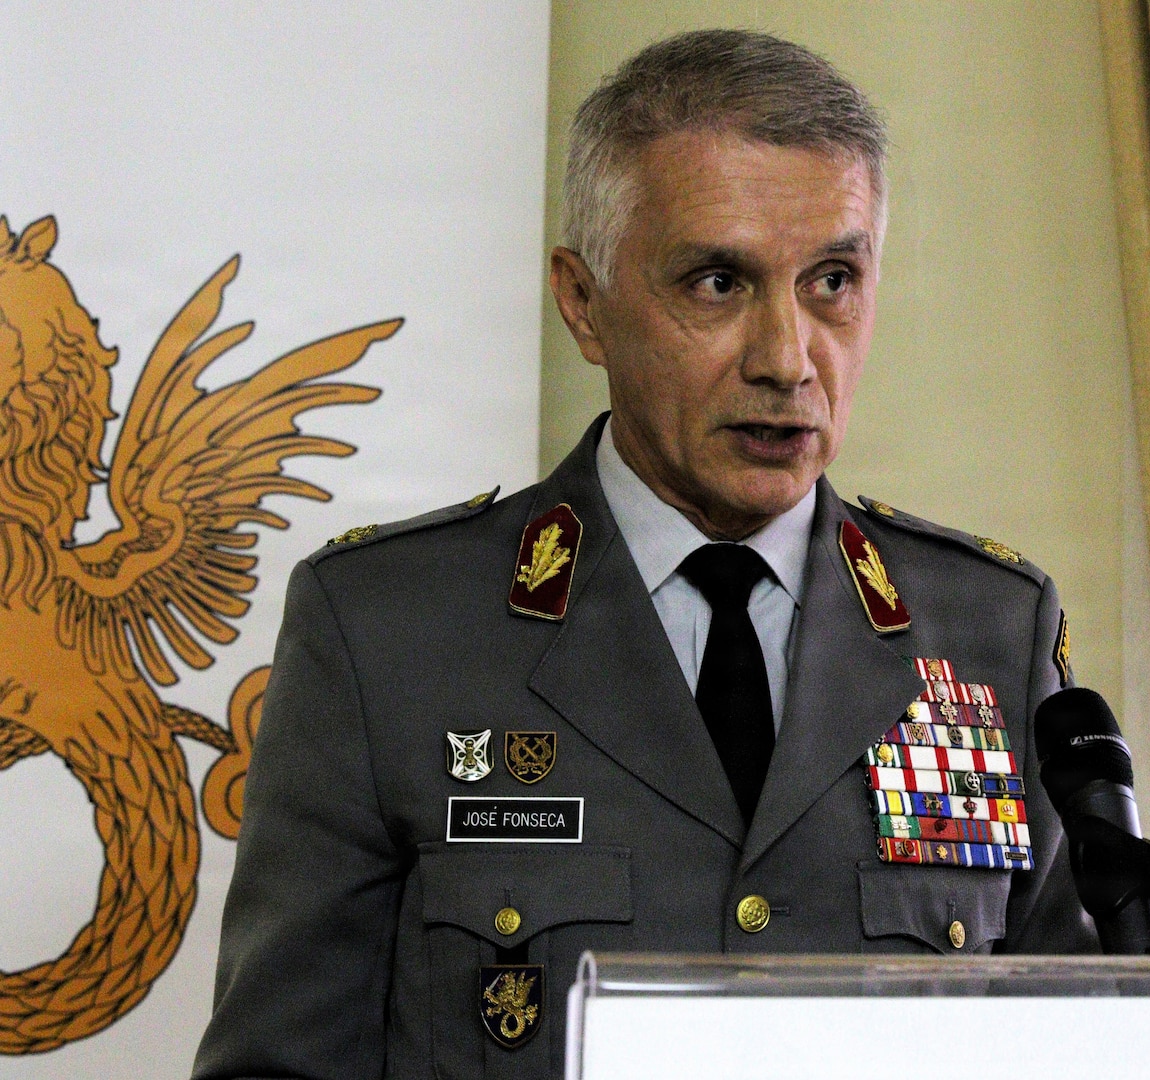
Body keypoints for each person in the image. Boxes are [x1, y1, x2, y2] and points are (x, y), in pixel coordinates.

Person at [193, 29, 1103, 1080]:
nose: (787, 359)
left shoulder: (985, 630)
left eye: (833, 281)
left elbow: (1084, 1040)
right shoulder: (388, 633)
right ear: (583, 302)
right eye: (718, 282)